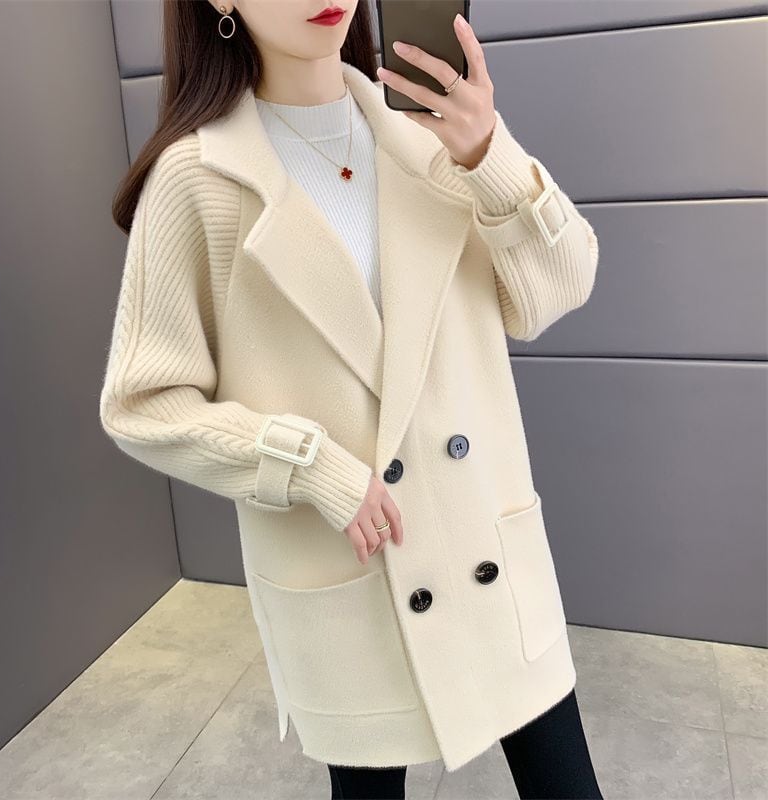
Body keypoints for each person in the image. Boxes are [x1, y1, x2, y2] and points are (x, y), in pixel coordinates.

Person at [100, 1, 602, 798]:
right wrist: (308, 466)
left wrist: (490, 155)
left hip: (490, 560)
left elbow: (558, 290)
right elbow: (144, 403)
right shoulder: (197, 179)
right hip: (352, 573)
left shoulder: (432, 140)